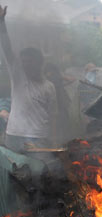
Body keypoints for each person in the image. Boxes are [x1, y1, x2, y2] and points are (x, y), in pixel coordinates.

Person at [0, 5, 57, 152]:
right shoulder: (17, 77)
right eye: (24, 61)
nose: (26, 65)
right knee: (13, 170)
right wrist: (1, 22)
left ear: (39, 63)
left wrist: (53, 138)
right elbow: (7, 49)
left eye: (30, 61)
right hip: (14, 135)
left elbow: (52, 115)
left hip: (39, 138)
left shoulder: (49, 86)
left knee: (38, 173)